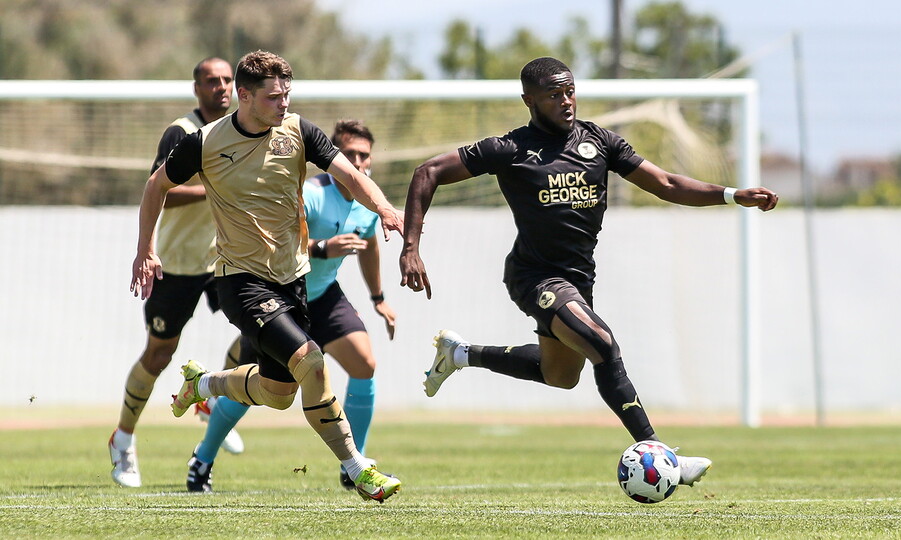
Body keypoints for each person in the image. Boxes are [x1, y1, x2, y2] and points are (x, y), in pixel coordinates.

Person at [399, 57, 778, 489]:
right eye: (553, 95)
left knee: (560, 376)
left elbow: (667, 184)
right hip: (534, 277)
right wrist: (411, 247)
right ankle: (663, 454)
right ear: (529, 101)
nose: (566, 101)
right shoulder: (511, 149)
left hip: (578, 281)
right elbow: (426, 171)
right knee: (602, 341)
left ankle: (461, 354)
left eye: (570, 91)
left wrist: (731, 195)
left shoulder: (599, 142)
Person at [130, 50, 404, 503]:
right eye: (275, 97)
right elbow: (157, 184)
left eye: (287, 95)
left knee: (279, 393)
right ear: (245, 95)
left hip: (291, 279)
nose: (283, 104)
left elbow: (351, 177)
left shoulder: (299, 132)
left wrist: (385, 208)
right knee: (312, 361)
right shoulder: (205, 141)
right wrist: (146, 249)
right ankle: (358, 467)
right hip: (240, 281)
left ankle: (204, 384)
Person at [185, 119, 398, 493]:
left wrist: (378, 298)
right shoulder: (313, 194)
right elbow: (283, 239)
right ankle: (203, 458)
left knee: (364, 363)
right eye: (350, 154)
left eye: (364, 155)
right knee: (266, 390)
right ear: (334, 157)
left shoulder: (366, 203)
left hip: (325, 296)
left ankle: (355, 464)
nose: (358, 161)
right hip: (280, 299)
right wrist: (322, 248)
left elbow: (370, 246)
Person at [109, 57, 244, 489]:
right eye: (212, 81)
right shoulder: (181, 132)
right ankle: (123, 438)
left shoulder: (245, 130)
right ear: (197, 88)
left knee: (263, 333)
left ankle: (210, 399)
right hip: (179, 264)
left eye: (227, 80)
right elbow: (158, 187)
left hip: (226, 261)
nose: (221, 87)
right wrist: (215, 186)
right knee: (159, 354)